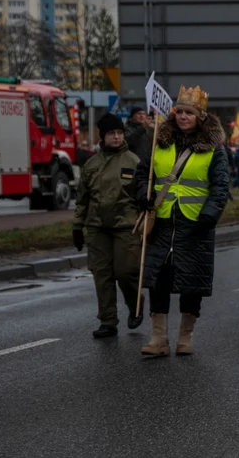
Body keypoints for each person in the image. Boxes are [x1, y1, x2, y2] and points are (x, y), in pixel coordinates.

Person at [134, 86, 232, 357]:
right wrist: (144, 194)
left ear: (200, 116)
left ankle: (185, 336)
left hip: (195, 223)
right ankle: (158, 338)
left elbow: (221, 185)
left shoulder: (214, 149)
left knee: (192, 282)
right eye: (180, 112)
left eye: (189, 113)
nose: (183, 117)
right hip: (163, 221)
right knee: (158, 280)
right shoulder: (159, 140)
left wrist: (210, 215)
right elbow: (144, 174)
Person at [73, 113, 143, 339]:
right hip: (97, 227)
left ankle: (136, 305)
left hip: (126, 226)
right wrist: (77, 226)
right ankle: (108, 321)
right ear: (102, 137)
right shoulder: (91, 164)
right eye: (111, 133)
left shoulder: (134, 161)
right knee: (101, 275)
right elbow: (82, 199)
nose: (116, 137)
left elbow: (143, 194)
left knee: (125, 272)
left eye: (119, 133)